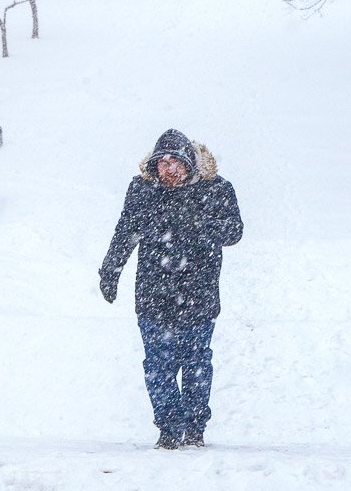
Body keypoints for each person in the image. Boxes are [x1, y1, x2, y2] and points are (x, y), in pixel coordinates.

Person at [99, 129, 243, 449]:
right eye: (161, 162)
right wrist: (110, 271)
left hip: (199, 295)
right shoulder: (142, 190)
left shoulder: (216, 190)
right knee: (157, 366)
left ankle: (194, 427)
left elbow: (234, 232)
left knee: (196, 364)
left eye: (174, 161)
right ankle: (168, 427)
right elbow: (126, 232)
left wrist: (201, 220)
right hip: (153, 294)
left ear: (190, 163)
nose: (168, 168)